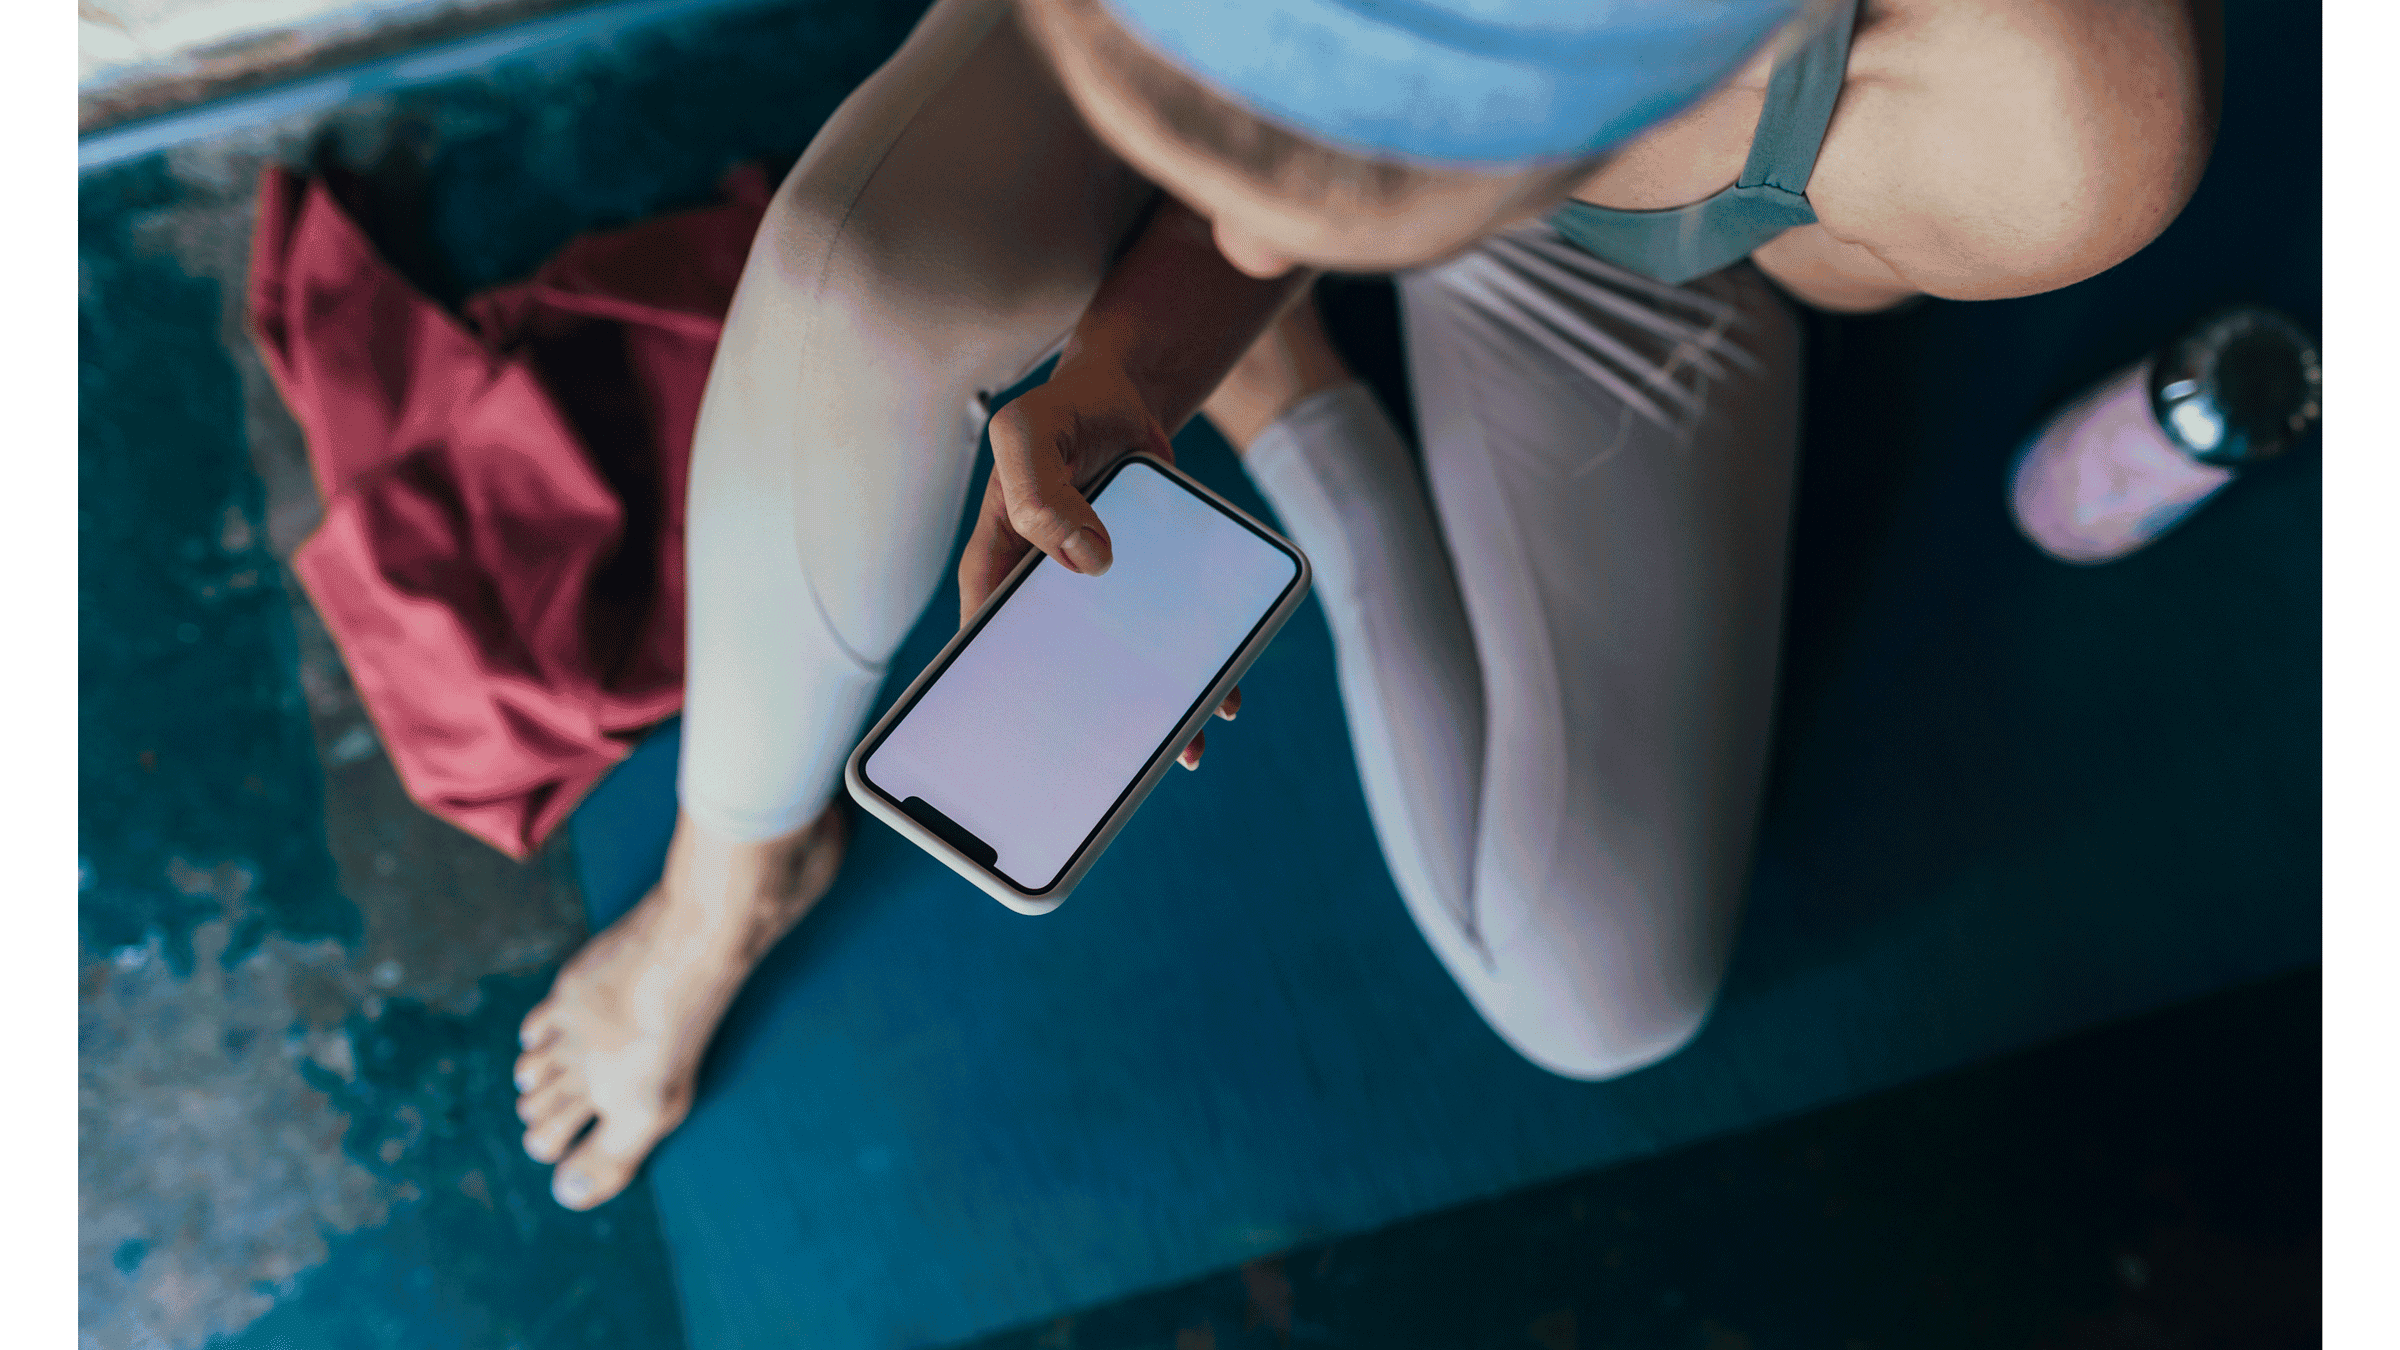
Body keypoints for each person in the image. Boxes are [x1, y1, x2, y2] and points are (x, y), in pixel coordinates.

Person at [510, 0, 2219, 1209]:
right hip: (1523, 152)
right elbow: (1256, 195)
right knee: (856, 293)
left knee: (1599, 990)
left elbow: (1788, 256)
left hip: (1640, 227)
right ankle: (726, 878)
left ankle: (1307, 387)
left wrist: (1237, 326)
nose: (1230, 219)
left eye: (1309, 177)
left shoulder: (2049, 120)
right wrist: (1132, 355)